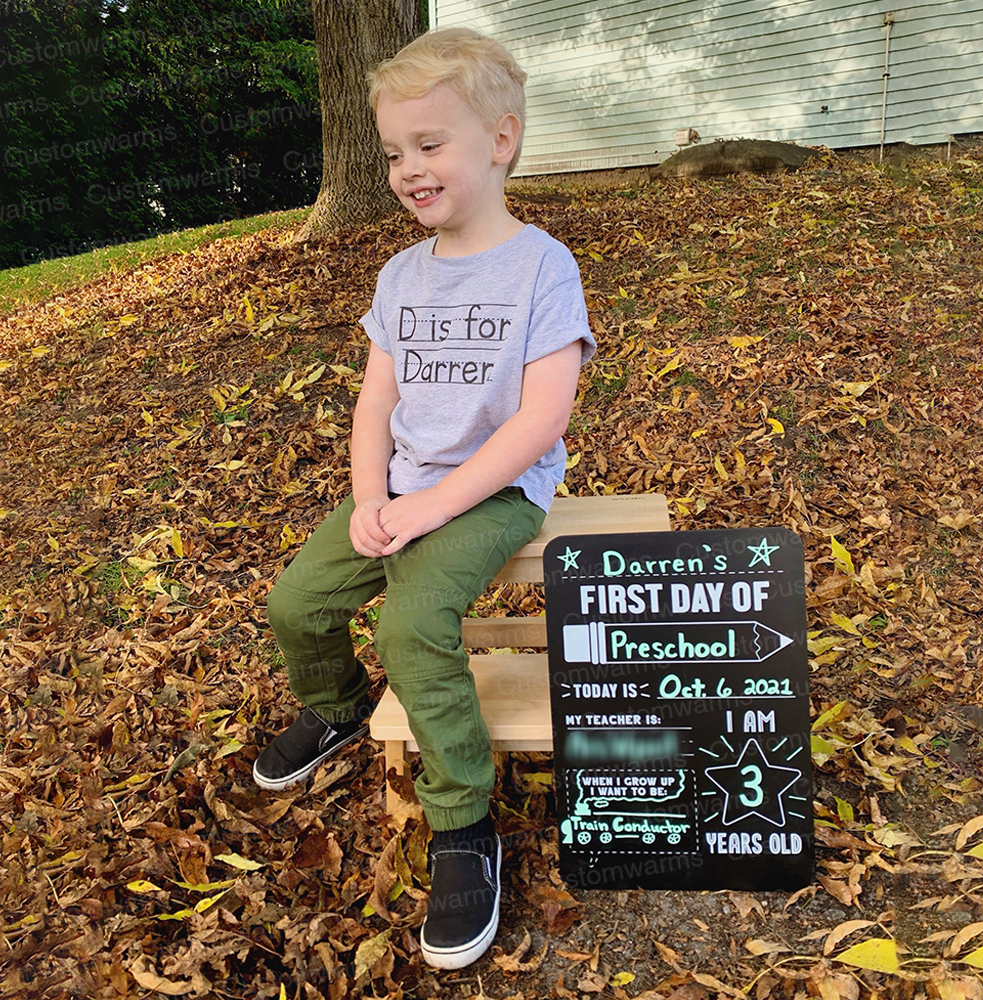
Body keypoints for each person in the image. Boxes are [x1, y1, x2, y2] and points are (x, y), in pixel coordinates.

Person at [253, 26, 596, 970]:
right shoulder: (400, 276)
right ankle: (336, 704)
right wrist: (372, 498)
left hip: (493, 494)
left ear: (501, 139)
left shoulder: (541, 266)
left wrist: (433, 508)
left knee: (412, 628)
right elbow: (378, 399)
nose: (408, 168)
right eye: (395, 151)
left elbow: (537, 421)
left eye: (430, 144)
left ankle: (462, 825)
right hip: (400, 489)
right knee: (297, 603)